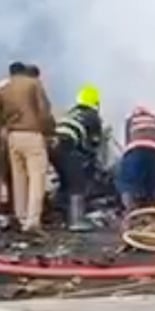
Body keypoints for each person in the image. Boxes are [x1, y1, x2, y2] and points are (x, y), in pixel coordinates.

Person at [0, 61, 55, 232]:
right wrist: (50, 132)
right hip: (33, 134)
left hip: (13, 137)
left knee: (19, 178)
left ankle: (20, 216)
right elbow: (44, 111)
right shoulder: (34, 84)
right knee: (37, 178)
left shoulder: (4, 89)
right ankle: (32, 220)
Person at [50, 84, 104, 231]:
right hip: (66, 148)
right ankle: (76, 221)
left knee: (65, 180)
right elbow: (94, 143)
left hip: (52, 147)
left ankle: (57, 211)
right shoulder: (93, 117)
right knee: (77, 185)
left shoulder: (72, 112)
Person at [118, 106, 155, 210]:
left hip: (137, 149)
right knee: (153, 185)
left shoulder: (132, 119)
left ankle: (130, 211)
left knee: (128, 182)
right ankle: (153, 209)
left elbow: (128, 140)